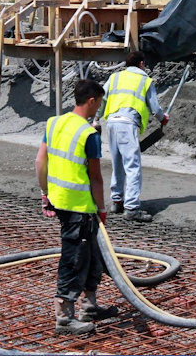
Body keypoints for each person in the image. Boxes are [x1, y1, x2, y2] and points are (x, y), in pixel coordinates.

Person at [35, 78, 118, 336]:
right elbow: (95, 177)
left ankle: (89, 307)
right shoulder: (88, 134)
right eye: (99, 102)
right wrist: (102, 209)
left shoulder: (54, 122)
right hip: (80, 208)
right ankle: (64, 318)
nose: (99, 108)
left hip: (60, 201)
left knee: (93, 255)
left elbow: (40, 161)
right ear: (91, 100)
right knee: (73, 260)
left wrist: (45, 193)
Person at [94, 51, 168, 223]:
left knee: (117, 162)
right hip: (127, 124)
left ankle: (117, 201)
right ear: (141, 63)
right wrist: (163, 118)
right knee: (132, 166)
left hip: (111, 122)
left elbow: (101, 99)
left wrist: (96, 119)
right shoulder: (144, 80)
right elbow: (155, 108)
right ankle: (132, 207)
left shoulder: (115, 78)